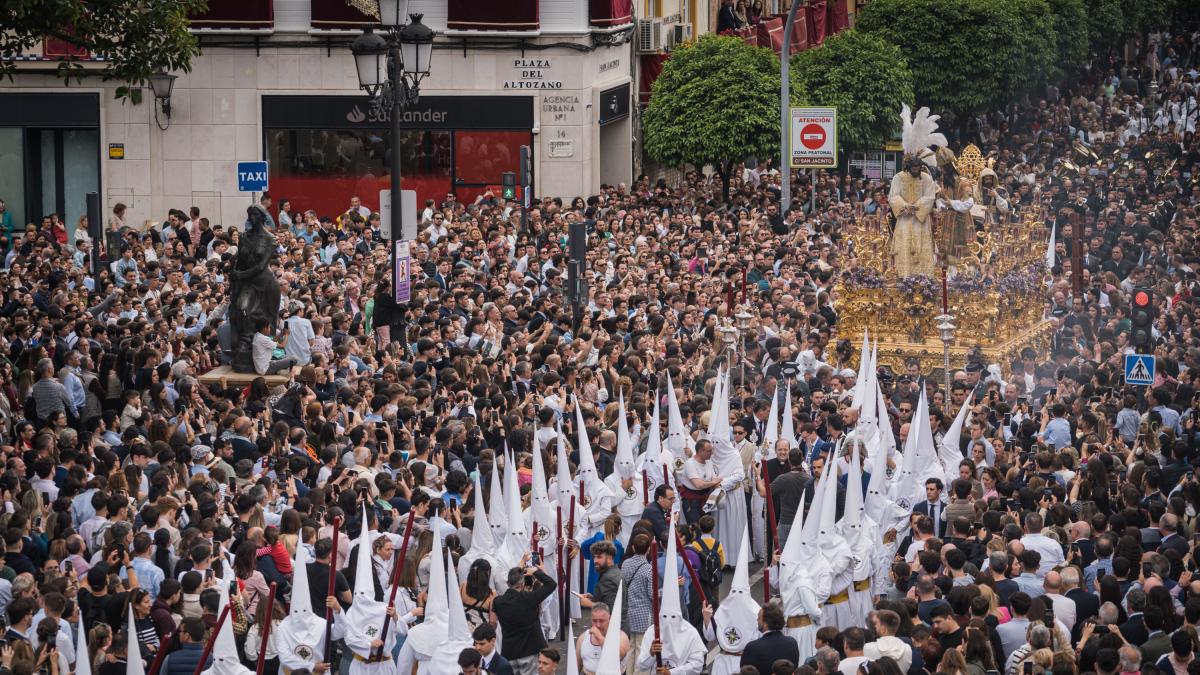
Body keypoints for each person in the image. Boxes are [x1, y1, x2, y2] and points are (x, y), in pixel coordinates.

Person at [889, 105, 943, 277]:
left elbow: (930, 196)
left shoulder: (926, 178)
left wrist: (916, 207)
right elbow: (893, 195)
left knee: (922, 248)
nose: (916, 169)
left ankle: (923, 278)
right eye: (913, 167)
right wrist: (905, 206)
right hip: (904, 218)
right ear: (908, 166)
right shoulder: (899, 177)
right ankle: (903, 276)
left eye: (918, 167)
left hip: (921, 220)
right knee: (904, 247)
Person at [491, 562, 557, 673]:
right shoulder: (529, 598)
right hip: (530, 651)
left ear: (508, 583)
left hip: (509, 652)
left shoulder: (498, 602)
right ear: (522, 584)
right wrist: (536, 572)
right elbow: (551, 584)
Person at [576, 602, 628, 675]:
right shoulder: (583, 638)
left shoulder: (621, 636)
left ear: (610, 620)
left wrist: (599, 637)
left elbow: (617, 656)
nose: (598, 625)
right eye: (594, 621)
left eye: (601, 621)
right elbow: (576, 666)